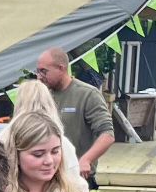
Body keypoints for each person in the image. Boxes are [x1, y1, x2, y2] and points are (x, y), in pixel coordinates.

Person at [33, 48, 114, 179]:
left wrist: (86, 160)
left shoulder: (87, 94)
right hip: (47, 176)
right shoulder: (40, 96)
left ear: (61, 68)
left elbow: (107, 135)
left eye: (44, 71)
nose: (39, 77)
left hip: (77, 176)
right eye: (37, 72)